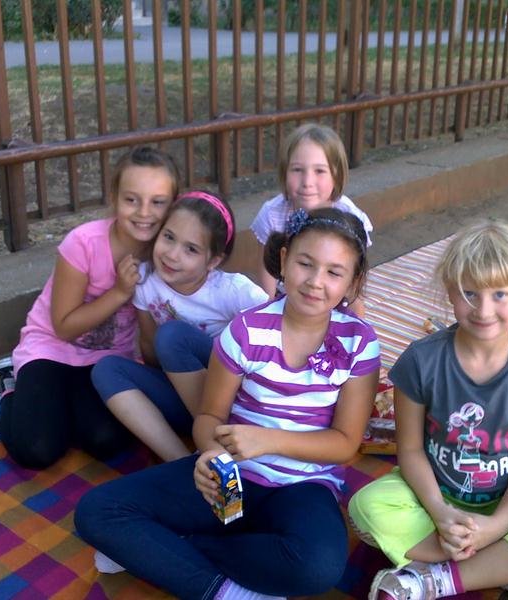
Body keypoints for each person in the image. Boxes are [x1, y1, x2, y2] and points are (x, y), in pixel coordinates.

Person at [75, 207, 381, 599]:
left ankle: (175, 546)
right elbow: (208, 417)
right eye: (305, 263)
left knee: (317, 568)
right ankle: (222, 590)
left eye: (334, 272)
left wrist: (266, 440)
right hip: (233, 475)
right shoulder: (245, 329)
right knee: (97, 510)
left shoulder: (359, 342)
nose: (315, 281)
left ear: (353, 282)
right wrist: (209, 455)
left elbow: (344, 443)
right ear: (284, 259)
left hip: (305, 485)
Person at [348, 220, 508, 600]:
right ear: (450, 292)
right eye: (469, 293)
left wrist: (497, 525)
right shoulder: (420, 361)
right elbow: (411, 451)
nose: (484, 310)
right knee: (367, 508)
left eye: (500, 294)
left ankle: (433, 579)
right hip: (433, 495)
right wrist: (439, 512)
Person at [0, 145, 181, 469]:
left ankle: (58, 408)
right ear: (114, 198)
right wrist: (119, 292)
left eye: (158, 202)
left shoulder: (168, 253)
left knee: (107, 440)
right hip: (51, 349)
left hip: (106, 361)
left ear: (173, 204)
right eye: (132, 199)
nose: (144, 212)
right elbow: (63, 327)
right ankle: (13, 389)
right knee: (37, 450)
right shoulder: (83, 243)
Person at [91, 190, 268, 461]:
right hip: (185, 401)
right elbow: (149, 350)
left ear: (213, 261)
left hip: (233, 405)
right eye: (169, 237)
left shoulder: (236, 292)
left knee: (173, 336)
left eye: (191, 249)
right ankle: (181, 461)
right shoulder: (145, 279)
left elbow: (275, 336)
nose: (172, 255)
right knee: (106, 369)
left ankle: (215, 444)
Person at [250, 123, 373, 313]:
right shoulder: (271, 214)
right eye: (297, 170)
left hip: (334, 297)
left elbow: (355, 279)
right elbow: (267, 277)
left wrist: (354, 315)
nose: (307, 182)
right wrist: (268, 313)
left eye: (320, 171)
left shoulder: (350, 216)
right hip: (287, 298)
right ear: (284, 172)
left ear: (337, 175)